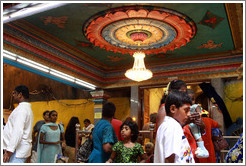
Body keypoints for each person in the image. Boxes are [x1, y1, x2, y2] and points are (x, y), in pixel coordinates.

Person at [154, 90, 195, 163]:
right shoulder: (172, 126)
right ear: (173, 109)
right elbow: (169, 158)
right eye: (186, 110)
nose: (189, 114)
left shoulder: (169, 124)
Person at [3, 85, 34, 163]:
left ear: (20, 95)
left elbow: (18, 131)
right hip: (16, 150)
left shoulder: (22, 110)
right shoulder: (23, 108)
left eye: (14, 93)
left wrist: (9, 151)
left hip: (16, 152)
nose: (12, 95)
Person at [186, 89, 209, 158]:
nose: (191, 101)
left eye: (192, 99)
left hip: (193, 127)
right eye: (189, 99)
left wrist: (201, 123)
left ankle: (202, 148)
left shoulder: (194, 106)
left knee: (197, 134)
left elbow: (198, 111)